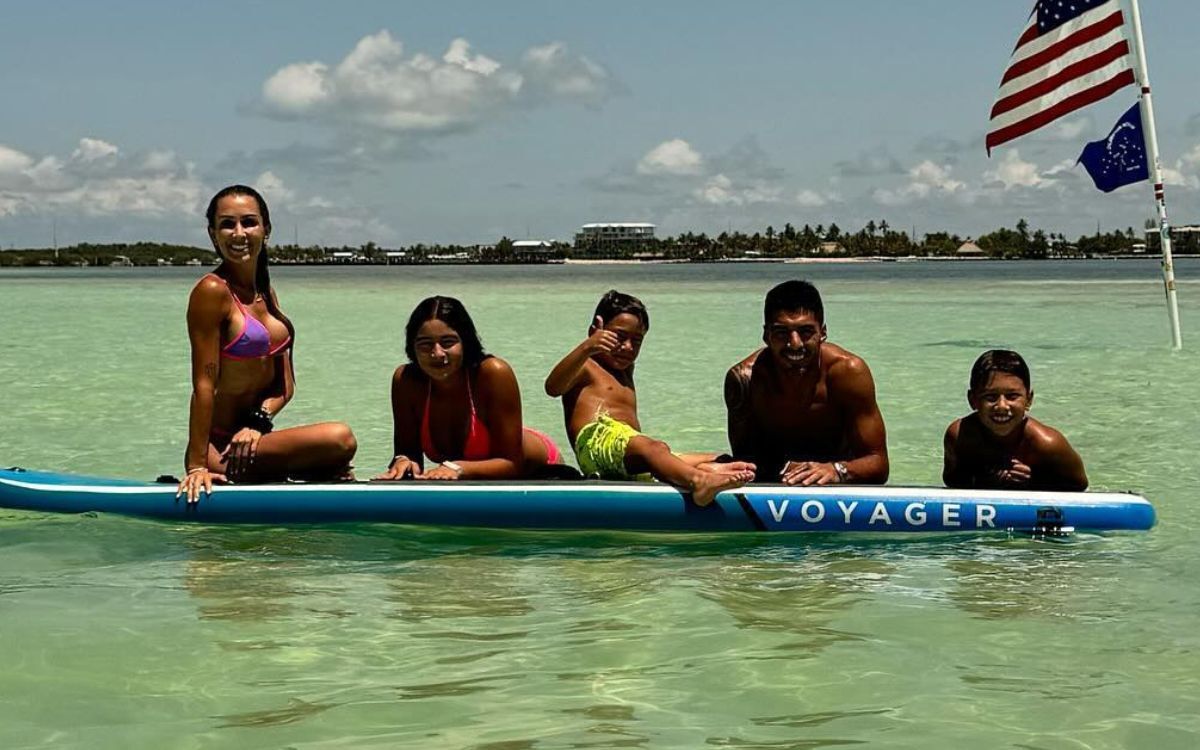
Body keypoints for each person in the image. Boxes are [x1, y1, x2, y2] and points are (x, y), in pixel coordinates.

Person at [176, 185, 357, 504]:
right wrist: (195, 466)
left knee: (338, 448)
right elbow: (204, 385)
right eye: (227, 224)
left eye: (249, 222)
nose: (238, 233)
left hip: (255, 439)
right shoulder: (212, 292)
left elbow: (284, 387)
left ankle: (294, 474)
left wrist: (257, 423)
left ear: (266, 229)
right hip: (221, 450)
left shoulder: (266, 294)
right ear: (212, 234)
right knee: (339, 438)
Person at [545, 290, 755, 506]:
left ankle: (710, 470)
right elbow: (552, 387)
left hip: (626, 454)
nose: (627, 347)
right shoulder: (585, 365)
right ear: (596, 329)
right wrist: (587, 346)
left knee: (723, 460)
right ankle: (700, 481)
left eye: (636, 341)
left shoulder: (625, 370)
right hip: (596, 443)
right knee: (656, 449)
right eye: (618, 337)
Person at [376, 296, 563, 481]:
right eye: (425, 344)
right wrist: (403, 462)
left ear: (466, 342)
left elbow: (512, 463)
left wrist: (458, 468)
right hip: (466, 473)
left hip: (540, 469)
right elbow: (408, 453)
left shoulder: (493, 373)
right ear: (412, 347)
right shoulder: (406, 381)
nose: (437, 353)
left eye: (448, 342)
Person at [725, 280, 888, 485]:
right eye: (782, 332)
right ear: (766, 335)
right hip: (777, 482)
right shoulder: (745, 380)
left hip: (837, 486)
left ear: (823, 333)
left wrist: (837, 470)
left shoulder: (848, 373)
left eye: (806, 332)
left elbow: (878, 464)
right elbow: (744, 464)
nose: (795, 344)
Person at [943, 349, 1087, 491]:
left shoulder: (1048, 444)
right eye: (990, 397)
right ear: (972, 400)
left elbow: (1080, 485)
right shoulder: (960, 436)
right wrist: (984, 480)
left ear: (1029, 400)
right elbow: (951, 480)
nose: (1002, 406)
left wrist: (1032, 482)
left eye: (1012, 396)